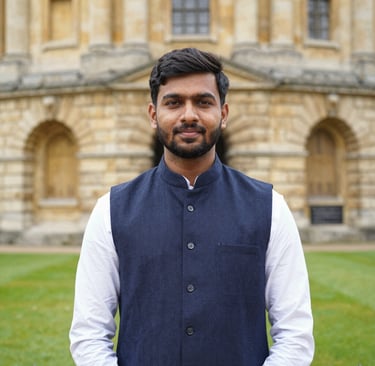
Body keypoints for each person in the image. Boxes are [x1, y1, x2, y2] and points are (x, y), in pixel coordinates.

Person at [69, 47, 314, 365]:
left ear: (223, 114)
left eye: (203, 101)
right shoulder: (110, 211)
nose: (189, 115)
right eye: (173, 102)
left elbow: (294, 333)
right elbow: (89, 334)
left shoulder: (270, 207)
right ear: (153, 114)